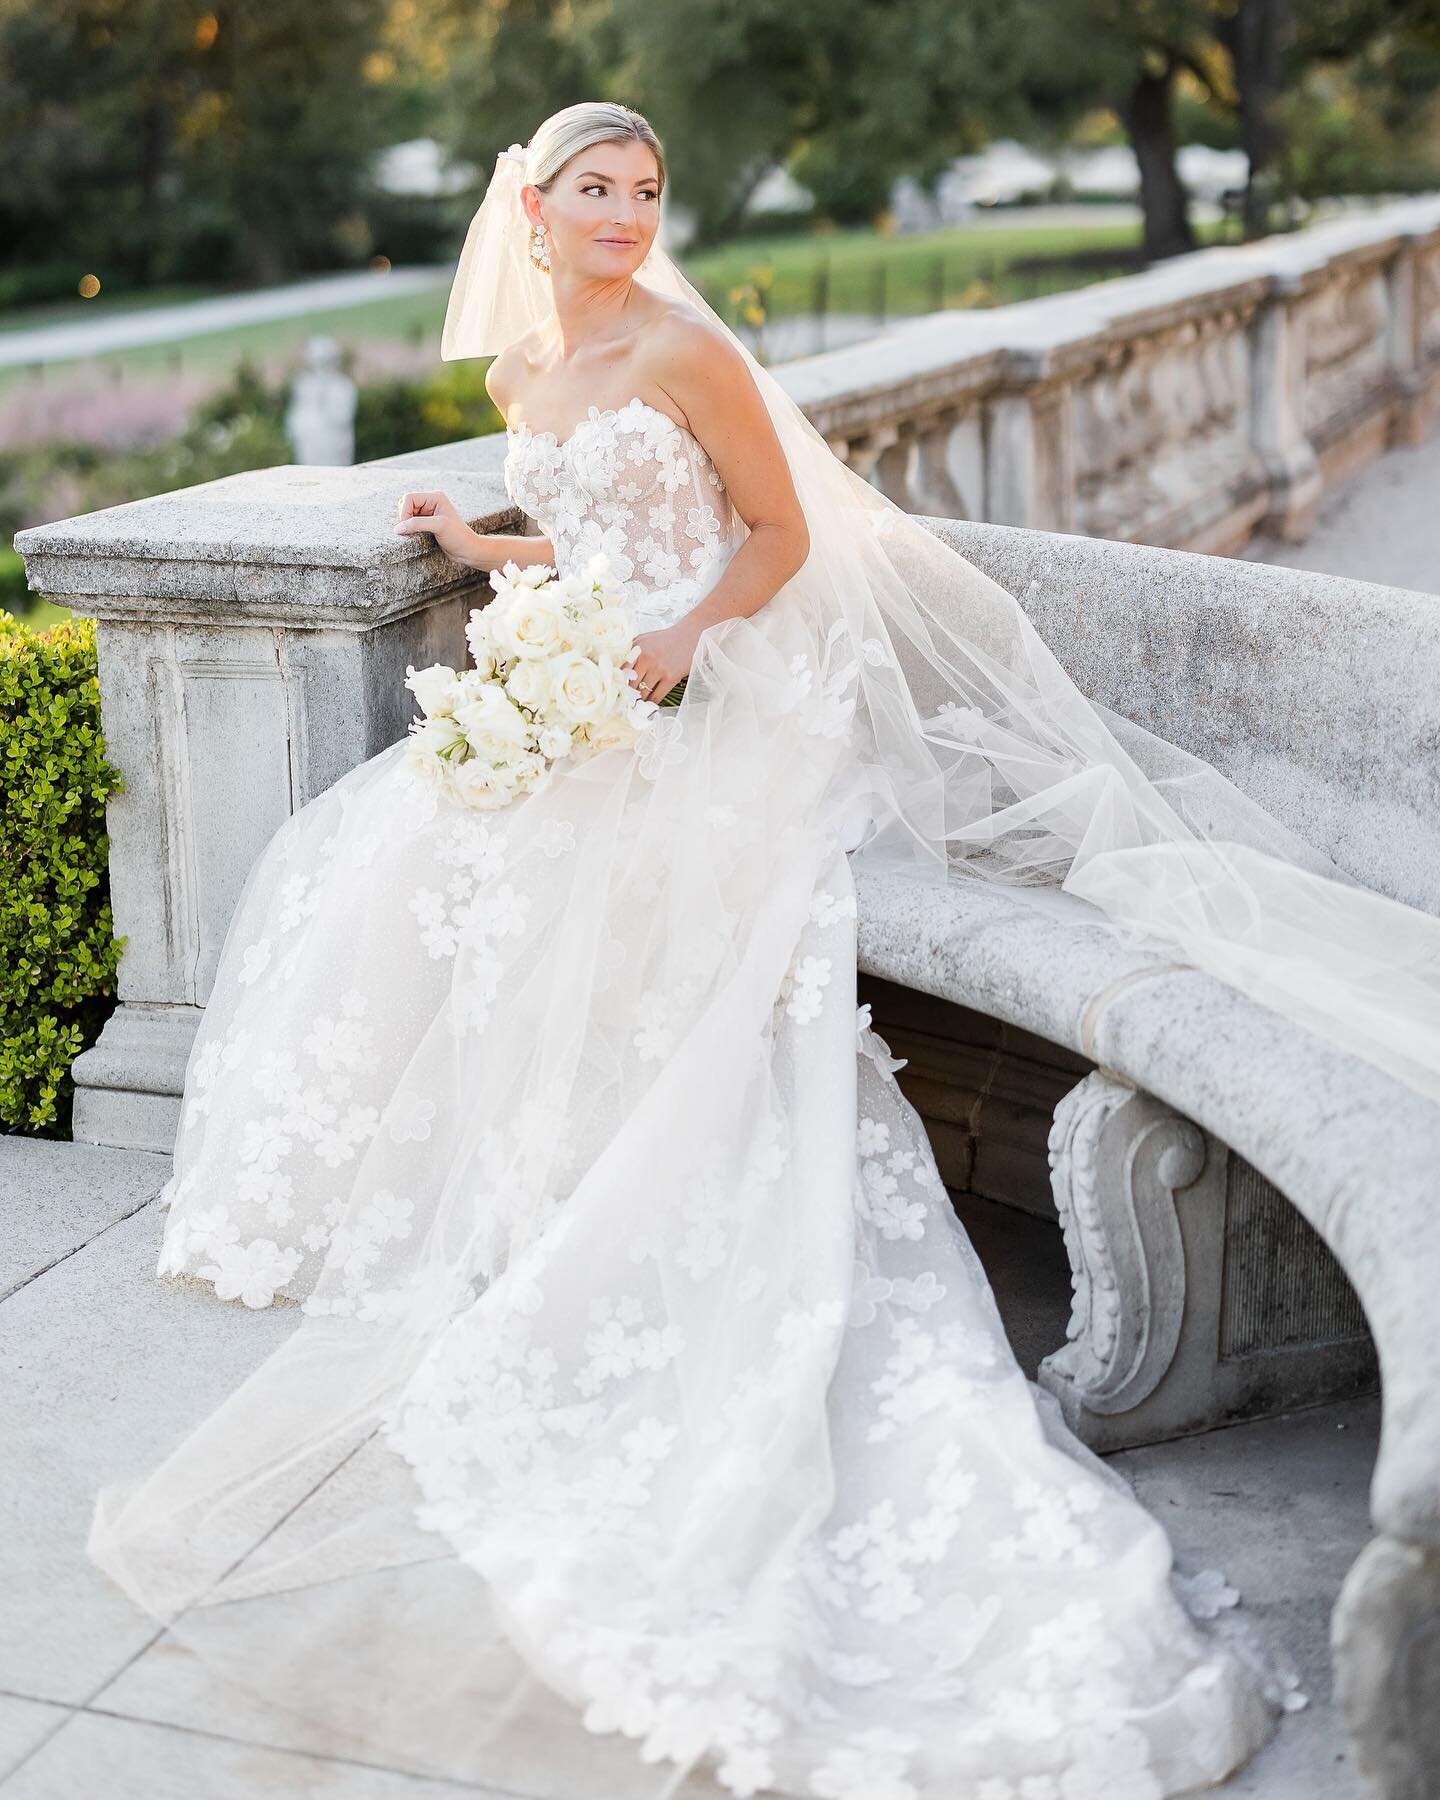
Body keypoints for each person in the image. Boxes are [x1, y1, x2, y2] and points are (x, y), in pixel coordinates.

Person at [89, 100, 1440, 1799]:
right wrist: (480, 558)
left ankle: (609, 1195)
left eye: (647, 190)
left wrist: (667, 650)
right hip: (619, 674)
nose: (626, 215)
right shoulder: (528, 380)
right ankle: (521, 1184)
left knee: (600, 870)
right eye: (595, 190)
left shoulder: (684, 347)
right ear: (534, 206)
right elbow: (583, 545)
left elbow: (781, 538)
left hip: (738, 701)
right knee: (384, 847)